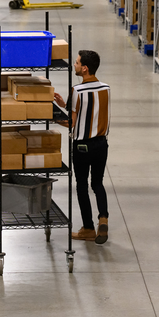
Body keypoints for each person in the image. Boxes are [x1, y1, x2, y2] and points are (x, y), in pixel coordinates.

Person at [54, 50, 111, 245]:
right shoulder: (106, 89)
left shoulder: (77, 91)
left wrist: (53, 116)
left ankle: (88, 228)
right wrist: (65, 104)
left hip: (82, 147)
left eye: (77, 63)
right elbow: (89, 112)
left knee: (81, 186)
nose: (75, 65)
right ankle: (103, 217)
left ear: (85, 68)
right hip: (101, 144)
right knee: (97, 183)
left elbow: (71, 123)